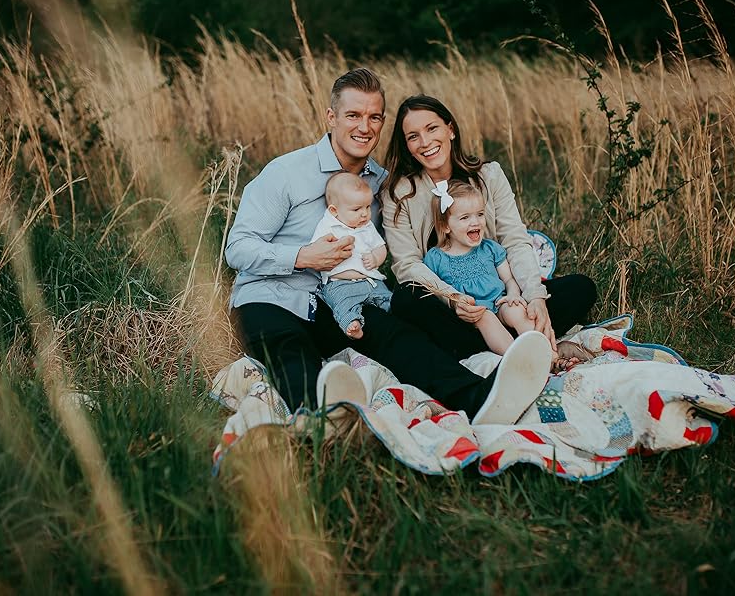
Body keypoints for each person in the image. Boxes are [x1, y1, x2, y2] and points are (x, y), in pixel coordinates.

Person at [225, 68, 552, 425]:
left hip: (348, 299)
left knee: (400, 338)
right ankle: (322, 421)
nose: (364, 127)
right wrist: (303, 256)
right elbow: (238, 247)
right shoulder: (287, 172)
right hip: (275, 296)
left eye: (374, 117)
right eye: (353, 115)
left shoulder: (381, 186)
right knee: (289, 348)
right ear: (331, 117)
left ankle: (480, 397)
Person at [381, 94, 597, 363]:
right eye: (413, 136)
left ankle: (506, 343)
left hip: (502, 301)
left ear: (450, 129)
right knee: (406, 299)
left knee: (580, 288)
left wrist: (534, 297)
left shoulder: (489, 175)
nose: (425, 142)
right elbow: (407, 265)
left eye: (432, 128)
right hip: (450, 308)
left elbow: (514, 240)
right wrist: (454, 299)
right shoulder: (399, 193)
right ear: (406, 145)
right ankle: (518, 348)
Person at [423, 180, 536, 355]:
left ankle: (543, 350)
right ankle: (517, 357)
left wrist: (513, 294)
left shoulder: (489, 248)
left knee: (516, 310)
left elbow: (508, 278)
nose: (475, 222)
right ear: (445, 226)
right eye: (465, 217)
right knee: (486, 316)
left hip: (499, 303)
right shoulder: (436, 257)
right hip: (471, 315)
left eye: (480, 214)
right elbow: (434, 291)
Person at [311, 171, 392, 339]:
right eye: (356, 209)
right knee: (343, 304)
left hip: (371, 281)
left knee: (389, 300)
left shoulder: (366, 226)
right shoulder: (327, 227)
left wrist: (376, 258)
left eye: (368, 207)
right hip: (340, 283)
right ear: (334, 211)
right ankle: (352, 324)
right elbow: (316, 251)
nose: (364, 214)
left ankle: (395, 314)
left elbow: (380, 247)